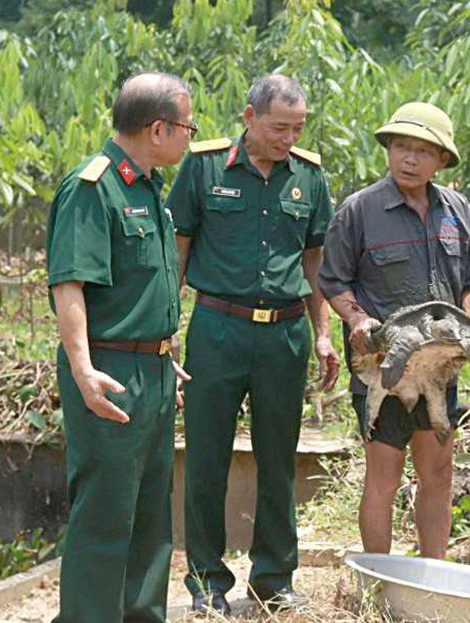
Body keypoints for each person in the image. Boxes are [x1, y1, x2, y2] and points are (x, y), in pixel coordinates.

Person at [165, 74, 339, 614]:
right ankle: (207, 584)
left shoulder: (309, 177)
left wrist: (325, 333)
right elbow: (179, 252)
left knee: (278, 458)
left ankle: (273, 579)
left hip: (286, 334)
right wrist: (167, 330)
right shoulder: (204, 166)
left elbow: (316, 262)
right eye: (278, 127)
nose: (288, 137)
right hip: (218, 328)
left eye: (297, 128)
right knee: (207, 458)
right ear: (249, 117)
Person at [46, 72, 194, 623]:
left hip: (152, 370)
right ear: (158, 128)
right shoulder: (93, 188)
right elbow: (70, 286)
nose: (190, 135)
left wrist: (164, 357)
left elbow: (144, 290)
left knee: (152, 515)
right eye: (186, 125)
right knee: (106, 514)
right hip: (109, 370)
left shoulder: (149, 189)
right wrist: (83, 369)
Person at [318, 102, 470, 560]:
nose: (409, 159)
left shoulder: (458, 212)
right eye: (401, 147)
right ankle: (378, 580)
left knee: (437, 472)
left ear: (441, 160)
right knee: (384, 472)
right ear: (389, 151)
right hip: (383, 367)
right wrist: (356, 319)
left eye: (422, 151)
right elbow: (333, 280)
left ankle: (433, 574)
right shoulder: (360, 211)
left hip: (438, 369)